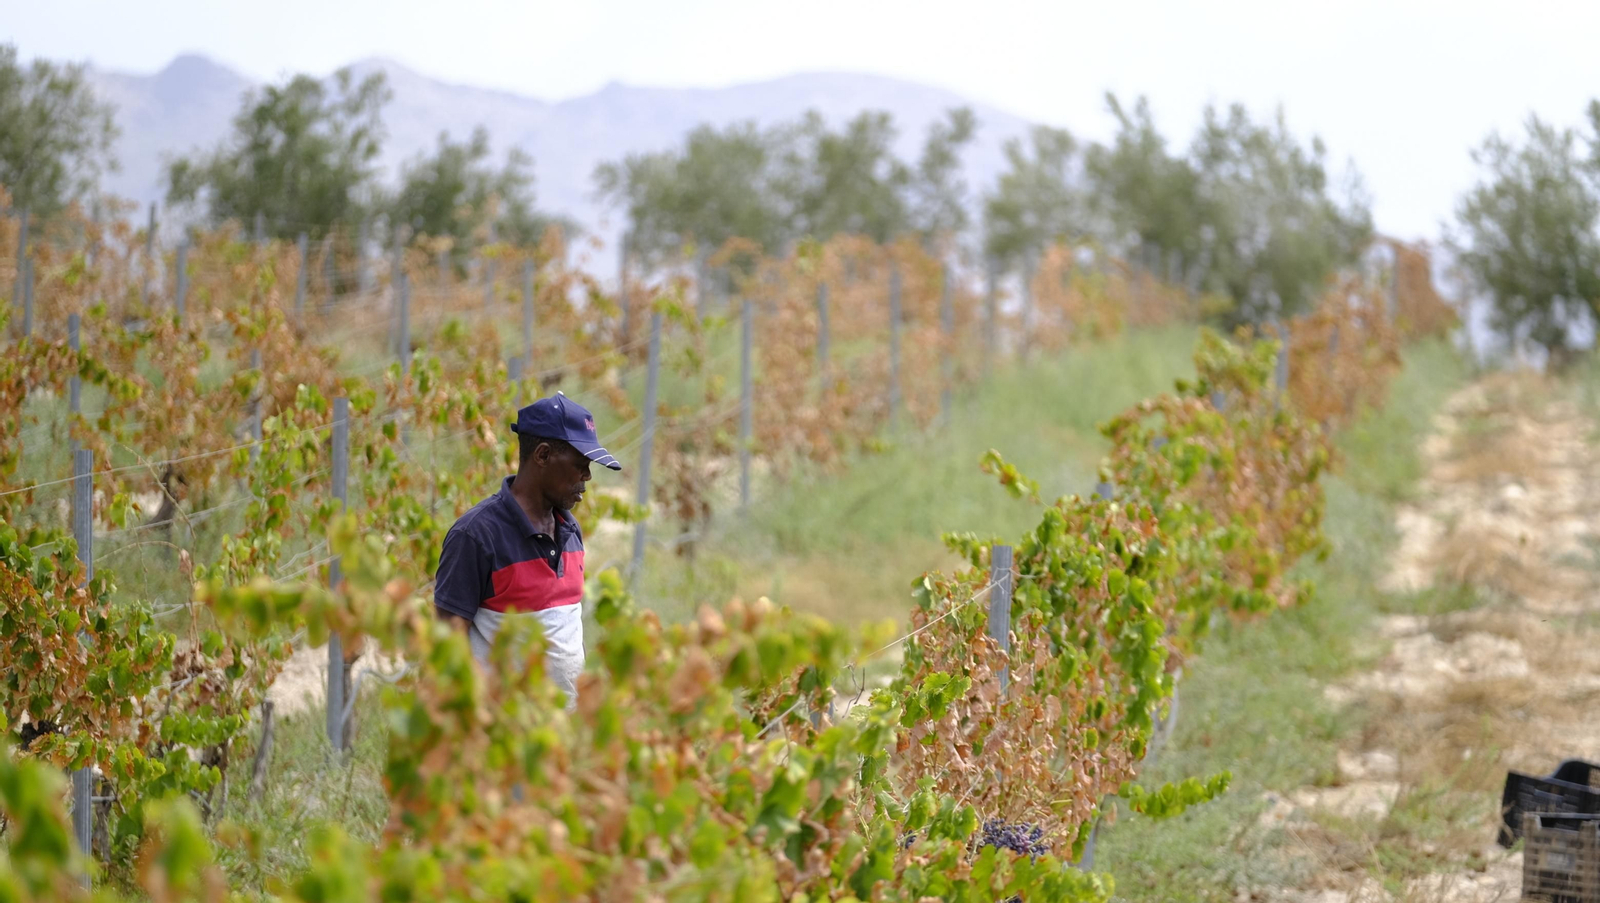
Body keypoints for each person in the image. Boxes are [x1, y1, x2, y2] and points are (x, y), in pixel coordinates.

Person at [432, 392, 622, 708]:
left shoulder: (571, 532)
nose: (587, 477)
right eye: (580, 464)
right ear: (543, 456)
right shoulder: (476, 537)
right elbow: (446, 650)